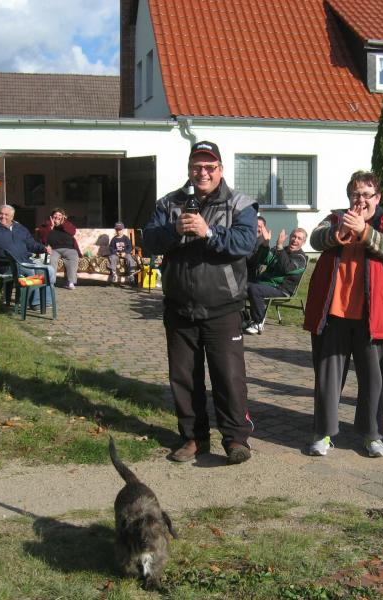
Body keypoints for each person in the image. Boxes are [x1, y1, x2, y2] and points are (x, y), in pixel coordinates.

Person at [144, 141, 257, 465]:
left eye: (209, 167)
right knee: (183, 378)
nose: (203, 172)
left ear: (220, 169)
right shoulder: (170, 203)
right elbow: (149, 240)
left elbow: (245, 244)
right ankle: (194, 438)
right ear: (189, 169)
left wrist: (209, 233)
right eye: (197, 166)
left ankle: (236, 439)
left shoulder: (240, 204)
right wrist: (173, 230)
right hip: (179, 307)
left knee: (229, 377)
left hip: (223, 307)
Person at [303, 170, 383, 458]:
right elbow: (315, 239)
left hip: (373, 317)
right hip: (333, 314)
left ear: (378, 197)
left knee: (374, 380)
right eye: (355, 194)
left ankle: (372, 435)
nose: (360, 200)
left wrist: (365, 231)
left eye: (366, 194)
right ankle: (323, 433)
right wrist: (337, 233)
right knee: (327, 379)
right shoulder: (336, 218)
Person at [0, 204, 55, 308]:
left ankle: (46, 300)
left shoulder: (20, 228)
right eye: (1, 214)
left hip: (26, 261)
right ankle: (34, 302)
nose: (3, 216)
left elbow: (31, 244)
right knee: (32, 272)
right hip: (8, 265)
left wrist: (43, 248)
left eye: (6, 215)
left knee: (49, 270)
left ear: (12, 216)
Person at [244, 227, 308, 335]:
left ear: (303, 242)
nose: (295, 240)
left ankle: (258, 322)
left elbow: (286, 268)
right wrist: (265, 244)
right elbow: (263, 260)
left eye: (299, 238)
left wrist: (280, 247)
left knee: (254, 289)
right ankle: (244, 318)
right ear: (290, 237)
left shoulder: (301, 258)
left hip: (281, 289)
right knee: (240, 286)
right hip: (265, 284)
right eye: (293, 236)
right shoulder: (279, 250)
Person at [36, 207, 82, 290]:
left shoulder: (67, 224)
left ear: (63, 217)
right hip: (53, 249)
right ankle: (51, 282)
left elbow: (73, 232)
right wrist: (50, 227)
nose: (57, 216)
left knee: (73, 258)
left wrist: (63, 223)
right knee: (51, 259)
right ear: (51, 216)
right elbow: (41, 235)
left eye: (60, 215)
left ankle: (70, 282)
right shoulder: (46, 225)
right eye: (55, 215)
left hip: (69, 248)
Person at [246, 216, 268, 282]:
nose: (256, 228)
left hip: (249, 275)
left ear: (263, 229)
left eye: (259, 226)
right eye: (255, 225)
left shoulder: (261, 242)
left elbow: (253, 260)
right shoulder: (248, 237)